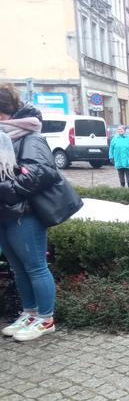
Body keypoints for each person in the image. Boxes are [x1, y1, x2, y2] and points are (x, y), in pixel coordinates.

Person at [0, 84, 59, 341]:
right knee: (18, 268)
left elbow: (42, 174)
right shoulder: (4, 138)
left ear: (6, 112)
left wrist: (5, 188)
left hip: (26, 213)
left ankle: (46, 319)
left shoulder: (30, 136)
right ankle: (30, 313)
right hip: (5, 212)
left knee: (35, 267)